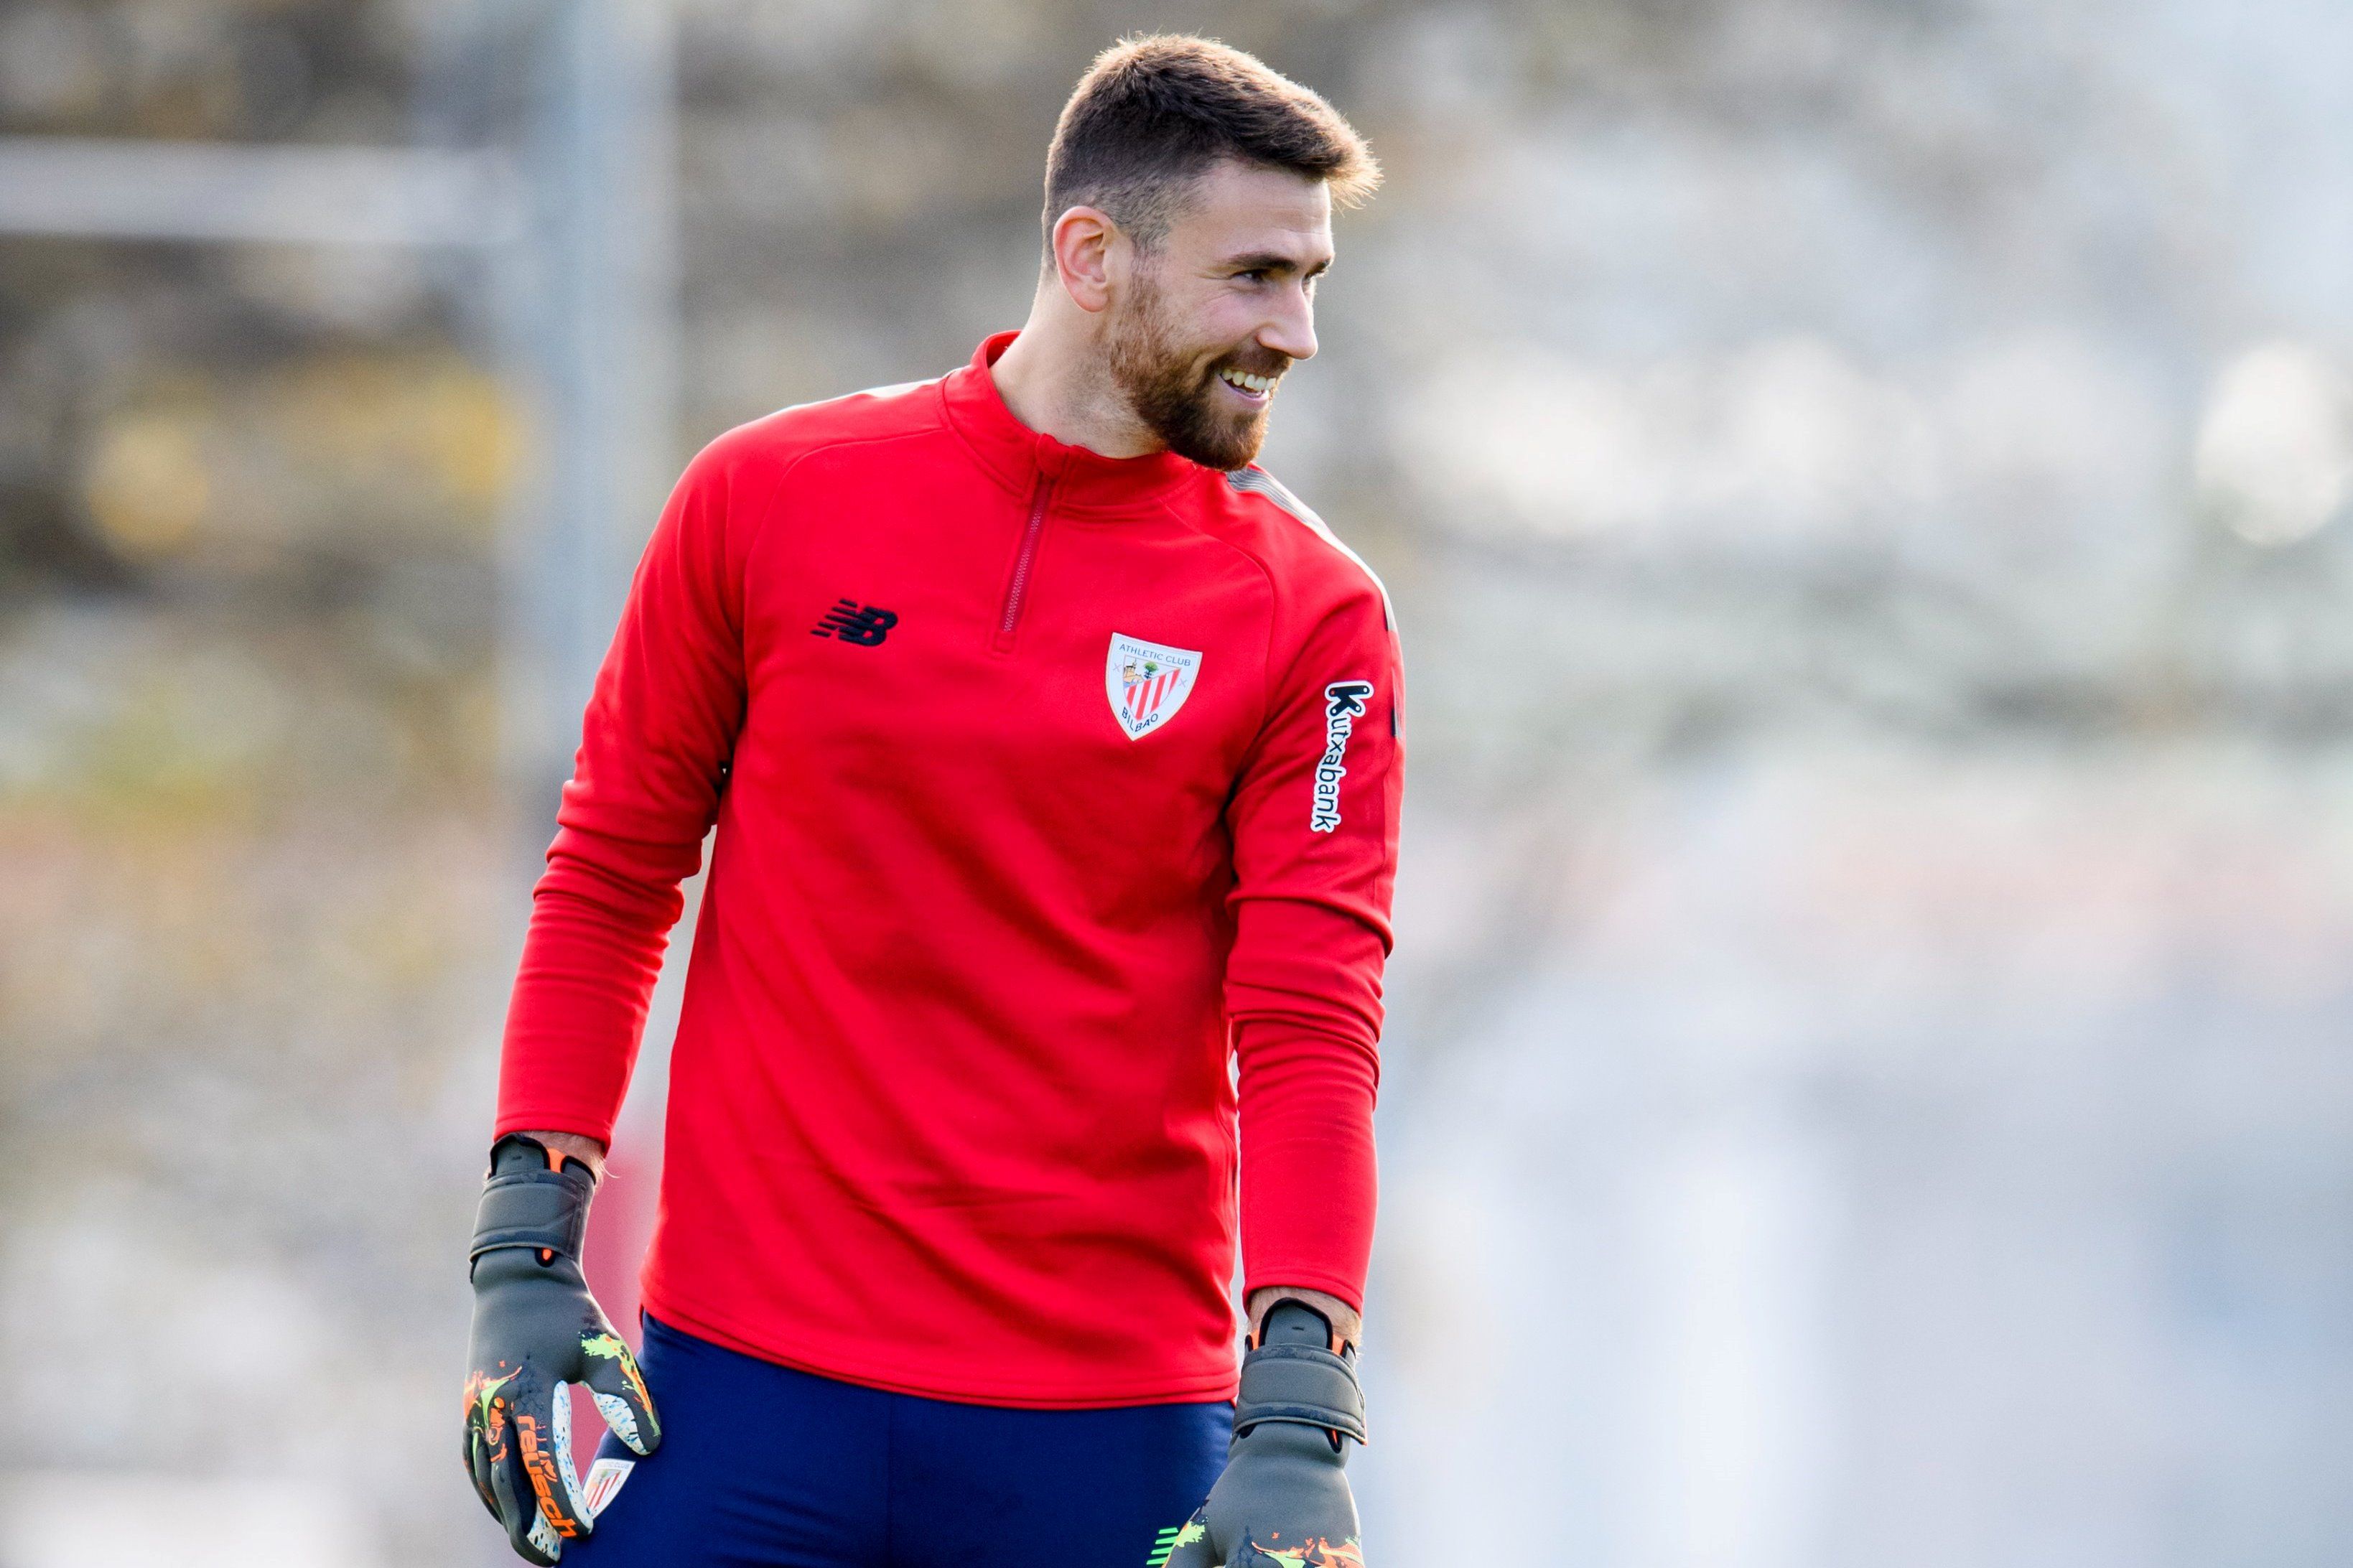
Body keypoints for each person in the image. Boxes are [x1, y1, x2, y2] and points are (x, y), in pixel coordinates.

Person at [461, 33, 1401, 1568]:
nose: (1293, 330)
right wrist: (525, 1254)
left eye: (1310, 280)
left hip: (1109, 1428)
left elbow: (1308, 1025)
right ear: (1090, 256)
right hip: (745, 1397)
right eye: (1254, 276)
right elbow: (613, 878)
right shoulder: (768, 497)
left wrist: (1299, 1408)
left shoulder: (1313, 614)